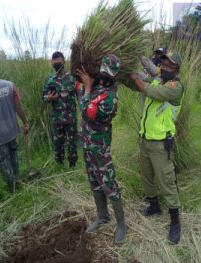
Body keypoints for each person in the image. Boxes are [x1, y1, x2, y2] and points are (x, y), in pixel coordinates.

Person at [130, 52, 183, 244]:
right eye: (163, 63)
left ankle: (175, 221)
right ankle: (154, 206)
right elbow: (151, 74)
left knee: (166, 181)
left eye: (169, 65)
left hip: (161, 143)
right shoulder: (158, 79)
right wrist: (139, 61)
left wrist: (136, 79)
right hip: (145, 140)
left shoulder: (175, 87)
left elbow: (150, 92)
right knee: (147, 177)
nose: (164, 67)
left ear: (176, 69)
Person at [77, 54, 126, 244]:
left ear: (115, 76)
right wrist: (85, 84)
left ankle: (121, 224)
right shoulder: (98, 85)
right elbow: (80, 91)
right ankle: (102, 216)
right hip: (87, 144)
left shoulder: (110, 97)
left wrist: (87, 88)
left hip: (100, 148)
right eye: (104, 71)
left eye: (110, 74)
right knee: (94, 181)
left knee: (109, 184)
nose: (106, 76)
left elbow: (86, 112)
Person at [0, 60, 29, 193]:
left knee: (3, 161)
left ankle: (14, 189)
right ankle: (18, 182)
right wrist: (25, 122)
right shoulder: (10, 85)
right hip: (12, 130)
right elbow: (18, 108)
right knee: (14, 156)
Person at [43, 51, 78, 168]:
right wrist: (48, 98)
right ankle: (59, 163)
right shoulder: (50, 79)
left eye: (59, 61)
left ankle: (73, 164)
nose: (57, 64)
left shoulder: (72, 78)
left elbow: (79, 95)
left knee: (72, 142)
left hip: (71, 117)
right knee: (58, 143)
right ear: (52, 63)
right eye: (55, 62)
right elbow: (44, 97)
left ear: (64, 61)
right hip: (57, 118)